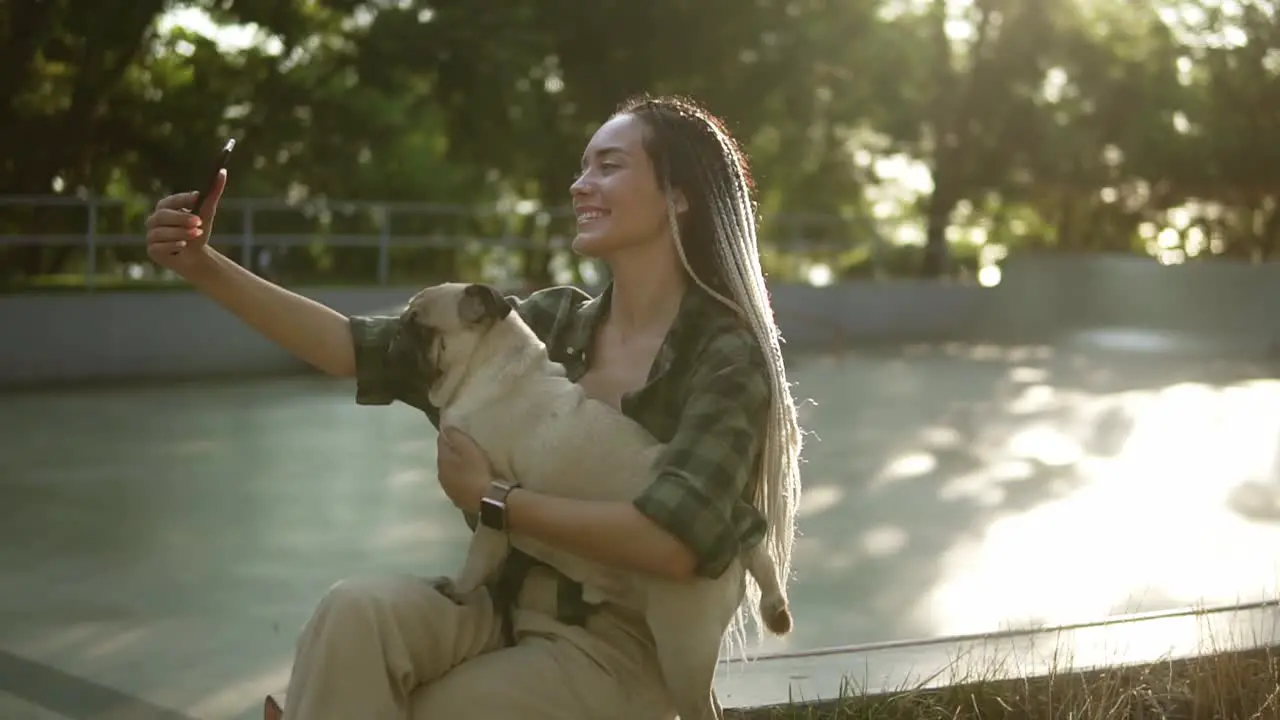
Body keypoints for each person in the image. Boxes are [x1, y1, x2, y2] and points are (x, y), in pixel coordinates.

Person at [143, 94, 803, 719]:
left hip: (622, 646)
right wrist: (202, 263)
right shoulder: (546, 323)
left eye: (609, 165)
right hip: (498, 605)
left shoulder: (726, 355)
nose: (580, 183)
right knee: (354, 614)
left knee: (434, 712)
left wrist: (496, 500)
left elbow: (677, 547)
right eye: (581, 167)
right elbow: (354, 348)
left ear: (679, 195)